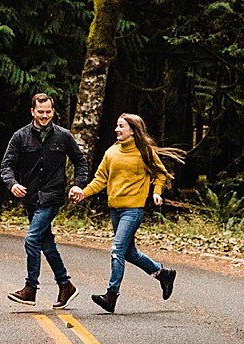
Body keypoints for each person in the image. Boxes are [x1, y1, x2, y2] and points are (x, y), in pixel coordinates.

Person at [69, 113, 179, 313]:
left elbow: (160, 173)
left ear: (132, 130)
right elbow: (100, 179)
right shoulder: (111, 152)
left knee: (117, 250)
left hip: (133, 209)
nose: (116, 130)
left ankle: (111, 295)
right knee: (130, 253)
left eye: (121, 126)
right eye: (117, 126)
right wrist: (83, 193)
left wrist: (156, 192)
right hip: (115, 209)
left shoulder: (144, 152)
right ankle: (163, 274)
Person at [0, 92, 84, 306]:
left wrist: (77, 184)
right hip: (30, 197)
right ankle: (66, 285)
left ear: (53, 112)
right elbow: (6, 166)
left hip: (52, 196)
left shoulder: (63, 136)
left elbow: (80, 162)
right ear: (32, 111)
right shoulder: (20, 136)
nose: (45, 116)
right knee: (46, 244)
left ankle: (31, 288)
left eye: (48, 112)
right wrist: (13, 184)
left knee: (32, 239)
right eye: (41, 112)